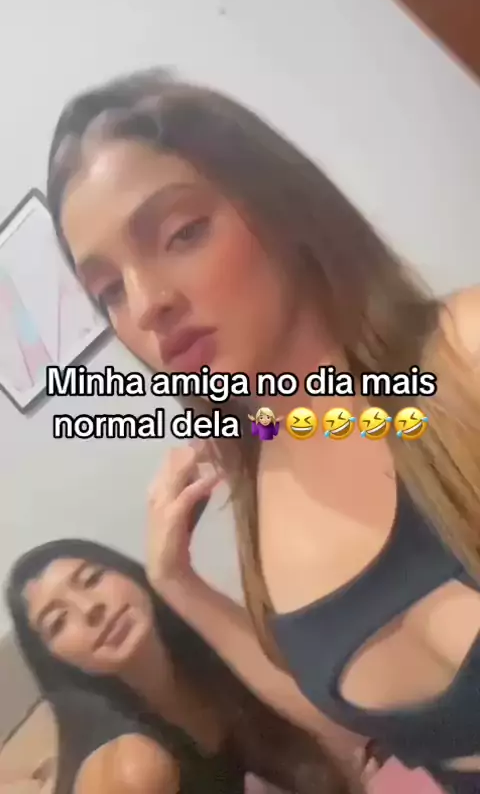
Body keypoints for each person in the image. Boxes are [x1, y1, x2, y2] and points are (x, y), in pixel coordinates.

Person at [46, 68, 480, 792]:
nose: (147, 304)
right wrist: (177, 584)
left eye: (182, 233)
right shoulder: (257, 488)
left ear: (280, 206)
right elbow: (348, 724)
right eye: (109, 291)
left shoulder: (463, 359)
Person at [6, 539, 360, 794]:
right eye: (58, 621)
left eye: (92, 579)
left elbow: (331, 727)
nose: (90, 608)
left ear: (130, 574)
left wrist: (179, 579)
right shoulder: (132, 767)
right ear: (56, 661)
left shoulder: (212, 662)